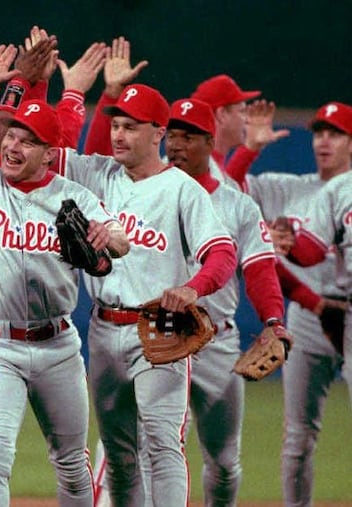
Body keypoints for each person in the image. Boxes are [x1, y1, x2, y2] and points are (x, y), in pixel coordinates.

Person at [0, 43, 130, 507]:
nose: (12, 146)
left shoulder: (72, 195)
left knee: (73, 467)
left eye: (28, 140)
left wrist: (109, 237)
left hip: (57, 346)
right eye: (12, 135)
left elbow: (120, 240)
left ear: (48, 153)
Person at [53, 83, 238, 506]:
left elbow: (222, 254)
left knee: (162, 444)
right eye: (115, 125)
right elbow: (47, 149)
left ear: (158, 133)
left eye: (131, 127)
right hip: (103, 330)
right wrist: (83, 90)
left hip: (160, 330)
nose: (118, 135)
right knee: (118, 457)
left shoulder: (182, 189)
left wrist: (192, 288)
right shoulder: (97, 173)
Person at [165, 97, 289, 506]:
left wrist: (273, 321)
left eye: (188, 136)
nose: (176, 144)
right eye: (171, 135)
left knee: (223, 463)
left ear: (209, 141)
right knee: (158, 452)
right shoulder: (146, 193)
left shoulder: (237, 204)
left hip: (217, 342)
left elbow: (260, 270)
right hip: (160, 339)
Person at [230, 101, 352, 507]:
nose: (324, 141)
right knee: (298, 437)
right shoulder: (285, 187)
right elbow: (225, 192)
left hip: (349, 312)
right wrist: (250, 147)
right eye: (319, 133)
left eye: (335, 133)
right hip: (308, 318)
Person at [190, 74, 289, 187]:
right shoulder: (195, 166)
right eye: (242, 111)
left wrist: (250, 147)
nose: (246, 119)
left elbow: (228, 190)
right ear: (222, 114)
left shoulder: (203, 162)